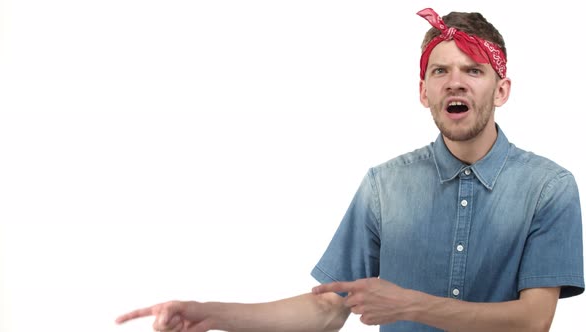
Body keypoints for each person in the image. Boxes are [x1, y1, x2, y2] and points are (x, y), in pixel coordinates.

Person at [115, 8, 584, 331]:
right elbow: (326, 310)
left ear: (501, 90)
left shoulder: (549, 188)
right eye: (440, 71)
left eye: (473, 70)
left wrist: (409, 304)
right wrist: (211, 314)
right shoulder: (385, 185)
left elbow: (532, 321)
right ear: (424, 92)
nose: (454, 81)